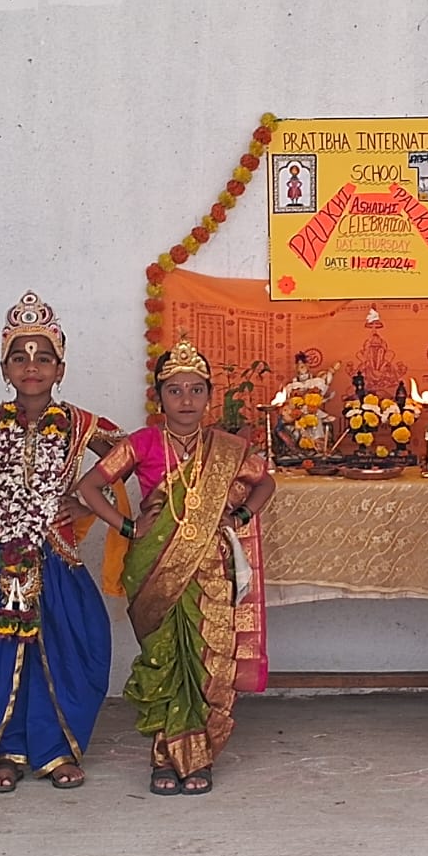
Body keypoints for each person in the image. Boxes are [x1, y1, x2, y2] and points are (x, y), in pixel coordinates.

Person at [0, 292, 128, 793]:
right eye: (19, 357)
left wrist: (88, 503)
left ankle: (57, 750)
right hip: (1, 559)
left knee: (64, 652)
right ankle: (7, 751)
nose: (32, 367)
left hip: (57, 559)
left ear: (60, 367)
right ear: (4, 365)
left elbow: (124, 459)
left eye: (44, 357)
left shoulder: (83, 423)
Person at [77, 334, 275, 795]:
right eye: (175, 390)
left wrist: (240, 515)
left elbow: (265, 485)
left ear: (209, 395)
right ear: (159, 396)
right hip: (155, 569)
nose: (186, 400)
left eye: (196, 390)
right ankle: (164, 756)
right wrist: (128, 528)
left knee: (207, 661)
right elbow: (89, 488)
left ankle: (199, 756)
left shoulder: (228, 448)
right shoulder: (141, 443)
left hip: (210, 571)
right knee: (164, 659)